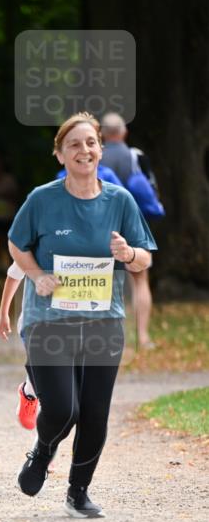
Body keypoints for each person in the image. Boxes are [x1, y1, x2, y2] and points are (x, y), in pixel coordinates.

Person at [8, 112, 157, 519]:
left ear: (101, 150)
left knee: (94, 412)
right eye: (73, 144)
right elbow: (16, 244)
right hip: (48, 320)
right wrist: (36, 275)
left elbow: (144, 257)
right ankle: (42, 451)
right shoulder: (42, 199)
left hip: (103, 322)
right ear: (60, 154)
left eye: (90, 142)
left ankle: (78, 491)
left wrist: (128, 254)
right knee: (61, 409)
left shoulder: (119, 200)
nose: (83, 150)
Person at [99, 112, 164, 349]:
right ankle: (143, 337)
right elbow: (151, 191)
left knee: (102, 280)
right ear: (124, 132)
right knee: (140, 279)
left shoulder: (95, 157)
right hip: (134, 225)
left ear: (102, 134)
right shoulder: (136, 156)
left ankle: (109, 338)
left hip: (103, 225)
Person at [0, 262, 40, 430]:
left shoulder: (84, 245)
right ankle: (30, 393)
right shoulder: (35, 244)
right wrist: (3, 314)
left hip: (70, 323)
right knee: (45, 373)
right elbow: (14, 276)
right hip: (34, 321)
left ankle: (29, 390)